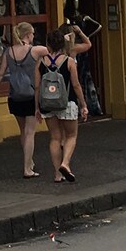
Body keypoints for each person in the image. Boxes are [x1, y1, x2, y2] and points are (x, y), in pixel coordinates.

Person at [0, 21, 47, 179]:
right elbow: (54, 51)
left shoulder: (8, 51)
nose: (33, 36)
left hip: (14, 96)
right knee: (30, 132)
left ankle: (29, 162)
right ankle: (27, 168)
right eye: (32, 34)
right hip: (31, 95)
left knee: (23, 131)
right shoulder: (36, 50)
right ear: (28, 34)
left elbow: (0, 73)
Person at [43, 25, 87, 183]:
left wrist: (36, 107)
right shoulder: (69, 62)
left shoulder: (41, 62)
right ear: (63, 45)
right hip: (67, 102)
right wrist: (83, 105)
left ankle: (57, 174)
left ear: (48, 45)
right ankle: (65, 163)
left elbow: (36, 87)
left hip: (47, 104)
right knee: (71, 135)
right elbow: (76, 85)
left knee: (54, 138)